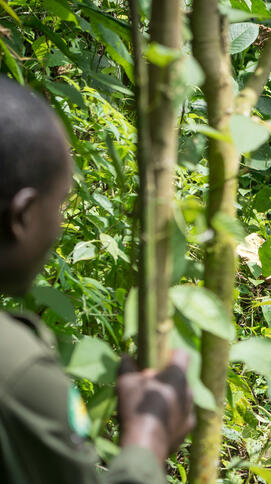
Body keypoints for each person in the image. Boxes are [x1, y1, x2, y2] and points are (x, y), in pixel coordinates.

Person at [0, 76, 195, 483]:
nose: (60, 223)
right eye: (61, 202)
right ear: (23, 215)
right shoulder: (17, 369)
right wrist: (148, 441)